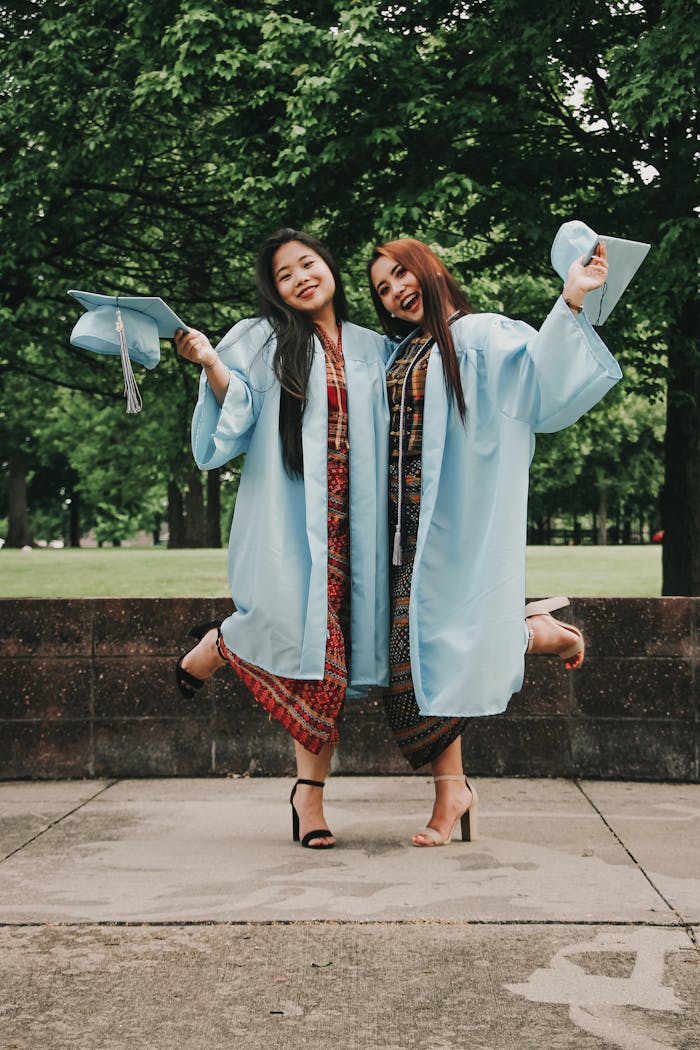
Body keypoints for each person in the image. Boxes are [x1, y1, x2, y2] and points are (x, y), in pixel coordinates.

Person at [368, 234, 621, 847]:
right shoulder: (398, 351)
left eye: (402, 275)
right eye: (382, 289)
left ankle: (450, 793)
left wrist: (572, 302)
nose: (397, 291)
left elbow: (539, 384)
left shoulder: (482, 334)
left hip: (456, 521)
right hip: (401, 534)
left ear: (429, 271)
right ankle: (536, 635)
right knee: (416, 667)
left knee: (446, 648)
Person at [174, 228, 390, 849]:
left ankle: (222, 643)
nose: (299, 277)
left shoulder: (377, 347)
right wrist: (212, 362)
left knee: (331, 662)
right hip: (296, 522)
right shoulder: (261, 340)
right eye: (284, 274)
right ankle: (311, 800)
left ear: (330, 265)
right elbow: (235, 411)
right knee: (312, 661)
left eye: (307, 262)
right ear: (275, 290)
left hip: (363, 527)